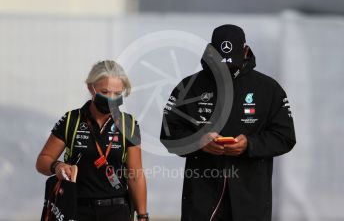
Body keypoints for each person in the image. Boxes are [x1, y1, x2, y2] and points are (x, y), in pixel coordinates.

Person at [160, 25, 296, 221]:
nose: (225, 69)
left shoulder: (269, 89)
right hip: (202, 200)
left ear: (246, 51)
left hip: (251, 201)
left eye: (231, 64)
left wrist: (250, 144)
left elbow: (285, 136)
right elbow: (168, 134)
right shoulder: (188, 87)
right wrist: (199, 142)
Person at [36, 60, 149, 221]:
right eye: (105, 91)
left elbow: (135, 175)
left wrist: (143, 216)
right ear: (91, 88)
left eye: (117, 94)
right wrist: (57, 166)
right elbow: (42, 161)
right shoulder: (71, 120)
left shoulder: (128, 124)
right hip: (76, 209)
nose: (111, 98)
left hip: (116, 211)